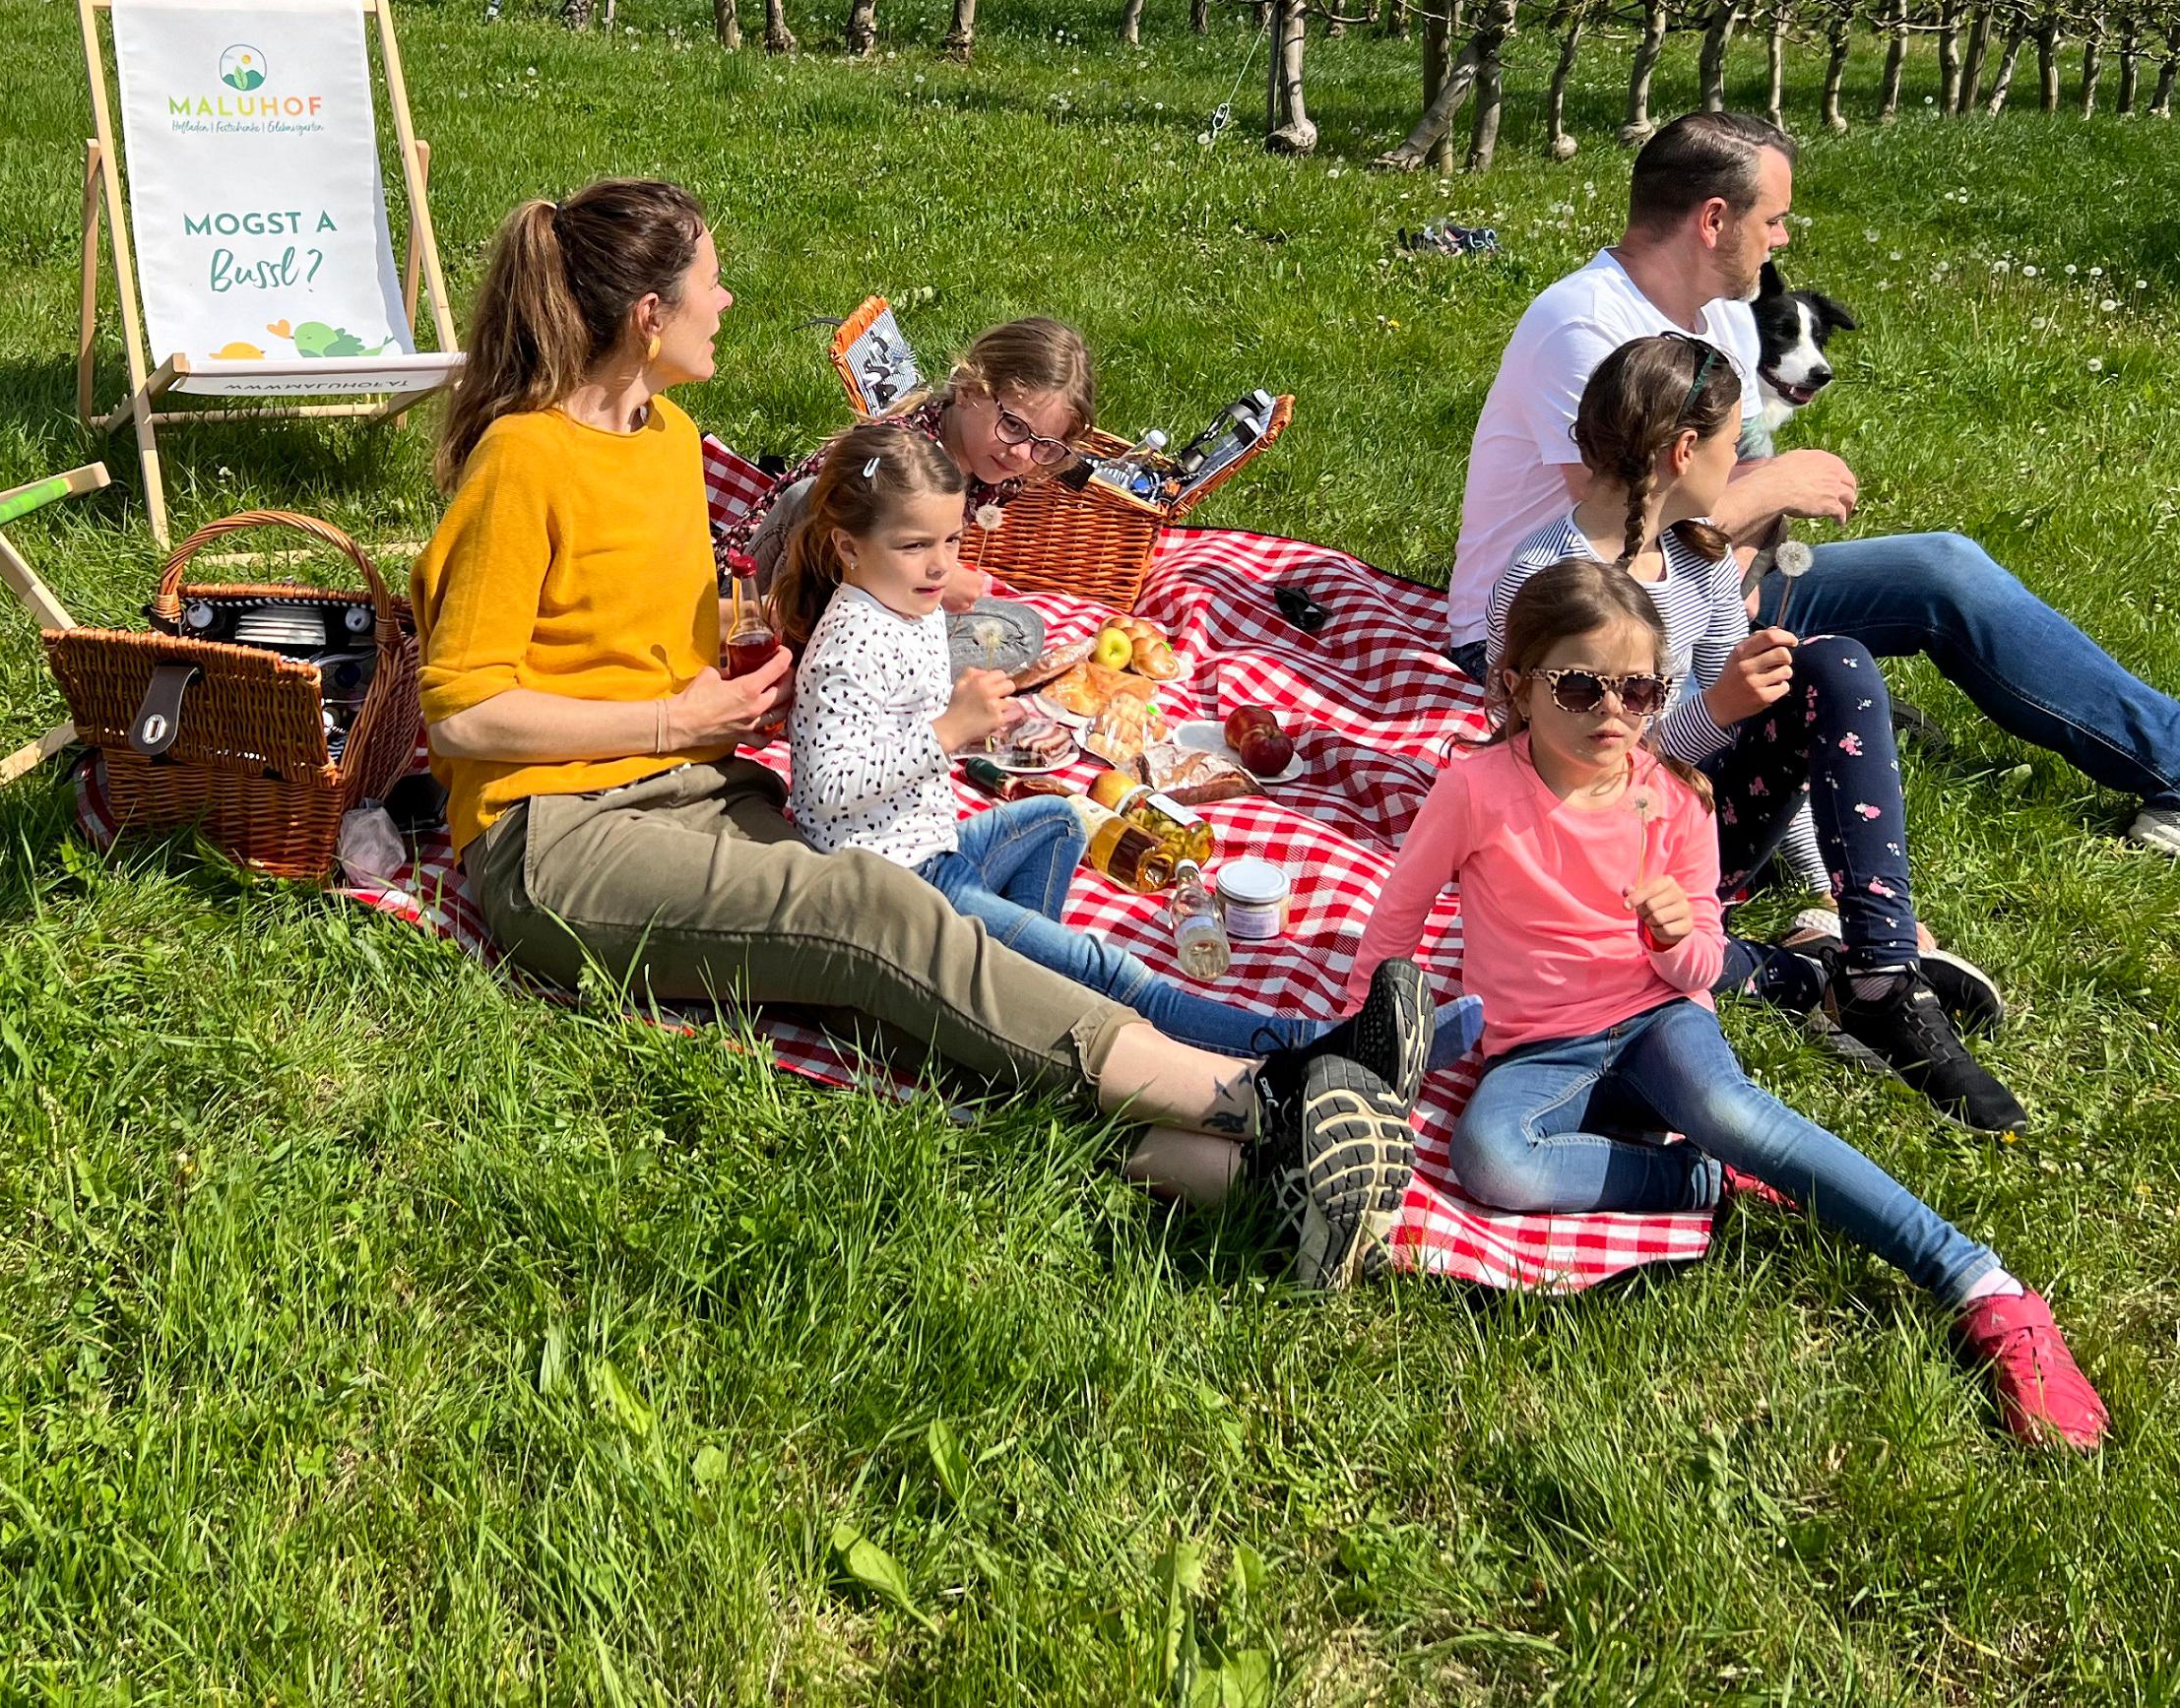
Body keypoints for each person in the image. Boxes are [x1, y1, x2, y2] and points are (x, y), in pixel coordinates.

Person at [412, 180, 1420, 1285]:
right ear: (649, 316)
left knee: (905, 972)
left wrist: (747, 654)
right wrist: (673, 713)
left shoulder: (668, 441)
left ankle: (1232, 1180)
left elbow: (638, 628)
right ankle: (1263, 1097)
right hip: (554, 837)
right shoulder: (524, 459)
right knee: (868, 907)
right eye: (710, 279)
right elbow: (462, 710)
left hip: (694, 788)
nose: (729, 297)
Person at [1445, 109, 2180, 884]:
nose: (1783, 237)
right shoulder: (1587, 327)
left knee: (1942, 567)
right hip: (1565, 628)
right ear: (1713, 220)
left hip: (1691, 583)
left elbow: (1709, 530)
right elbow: (1611, 546)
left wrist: (1737, 586)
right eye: (1774, 218)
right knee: (1792, 670)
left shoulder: (1722, 323)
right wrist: (1769, 495)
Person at [1341, 560, 2110, 1452]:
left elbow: (1702, 965)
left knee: (1731, 1108)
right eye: (1582, 686)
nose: (1613, 714)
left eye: (1639, 690)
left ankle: (1982, 1286)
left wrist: (1672, 938)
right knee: (1491, 1162)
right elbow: (1396, 917)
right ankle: (1701, 1180)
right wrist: (1372, 1033)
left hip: (1656, 1020)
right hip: (1539, 1051)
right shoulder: (1475, 791)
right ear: (1516, 684)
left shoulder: (1673, 799)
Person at [775, 415, 1435, 1070]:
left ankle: (1022, 986)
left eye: (951, 539)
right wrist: (948, 729)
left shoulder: (906, 602)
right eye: (916, 545)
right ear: (848, 547)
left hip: (932, 849)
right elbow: (827, 791)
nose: (942, 564)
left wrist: (969, 712)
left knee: (1061, 819)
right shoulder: (847, 646)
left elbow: (895, 724)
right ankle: (1306, 1048)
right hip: (896, 888)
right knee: (1106, 964)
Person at [1493, 334, 2021, 1130]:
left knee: (1833, 665)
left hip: (1695, 835)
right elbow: (1563, 778)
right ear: (1683, 451)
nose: (1740, 466)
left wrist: (1822, 884)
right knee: (1619, 953)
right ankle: (1804, 979)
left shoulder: (1695, 563)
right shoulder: (1547, 582)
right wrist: (1717, 712)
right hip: (1595, 863)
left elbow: (1745, 749)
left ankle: (1877, 971)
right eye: (1735, 446)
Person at [753, 317, 1096, 609]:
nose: (1022, 453)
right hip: (787, 595)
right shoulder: (902, 455)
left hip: (870, 607)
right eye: (1012, 425)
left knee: (1018, 628)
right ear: (968, 390)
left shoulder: (995, 468)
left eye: (1044, 445)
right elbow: (839, 554)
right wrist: (940, 580)